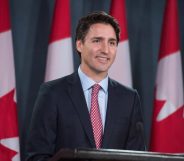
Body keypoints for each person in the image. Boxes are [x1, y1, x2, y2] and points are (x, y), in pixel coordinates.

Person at [26, 11, 146, 161]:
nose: (105, 50)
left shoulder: (130, 98)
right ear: (80, 45)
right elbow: (37, 157)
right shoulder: (52, 93)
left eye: (112, 43)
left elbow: (137, 157)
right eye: (97, 41)